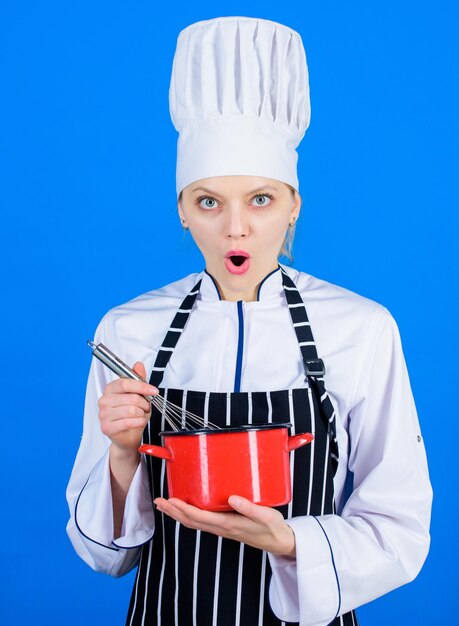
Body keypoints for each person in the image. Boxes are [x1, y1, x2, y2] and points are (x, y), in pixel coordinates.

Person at [66, 16, 432, 626]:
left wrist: (292, 542)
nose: (235, 228)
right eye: (209, 201)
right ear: (183, 211)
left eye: (260, 199)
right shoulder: (127, 330)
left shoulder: (362, 328)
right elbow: (104, 556)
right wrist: (124, 456)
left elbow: (400, 527)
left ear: (293, 206)